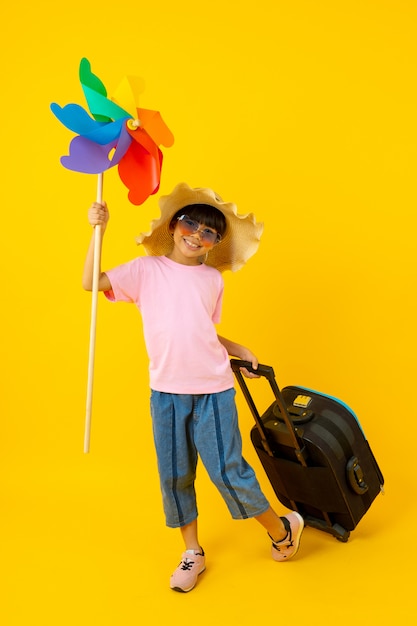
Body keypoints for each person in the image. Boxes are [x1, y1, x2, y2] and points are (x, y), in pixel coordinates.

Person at [82, 182, 304, 593]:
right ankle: (192, 552)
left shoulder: (212, 280)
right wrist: (101, 229)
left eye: (209, 234)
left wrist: (237, 348)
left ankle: (283, 528)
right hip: (165, 392)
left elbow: (203, 330)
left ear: (215, 244)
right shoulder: (145, 270)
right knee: (174, 475)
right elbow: (91, 282)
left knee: (226, 470)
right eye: (191, 225)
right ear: (173, 224)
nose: (197, 236)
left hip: (213, 390)